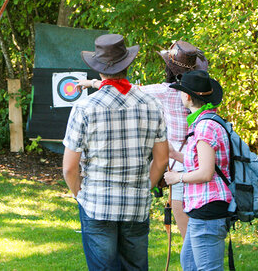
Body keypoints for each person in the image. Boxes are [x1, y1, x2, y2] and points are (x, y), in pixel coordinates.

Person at [76, 40, 208, 239]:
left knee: (190, 239)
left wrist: (92, 83)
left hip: (182, 170)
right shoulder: (205, 92)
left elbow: (124, 89)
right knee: (201, 235)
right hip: (204, 166)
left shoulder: (167, 91)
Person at [62, 34, 169, 270]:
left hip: (97, 204)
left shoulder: (84, 107)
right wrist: (143, 187)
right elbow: (161, 161)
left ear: (99, 70)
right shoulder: (152, 104)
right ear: (127, 65)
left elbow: (69, 168)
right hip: (136, 204)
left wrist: (81, 196)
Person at [164, 70, 232, 270]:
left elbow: (205, 173)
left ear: (186, 96)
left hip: (208, 208)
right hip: (200, 208)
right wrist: (176, 155)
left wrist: (178, 177)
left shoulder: (204, 127)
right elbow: (204, 162)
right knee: (190, 263)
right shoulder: (208, 121)